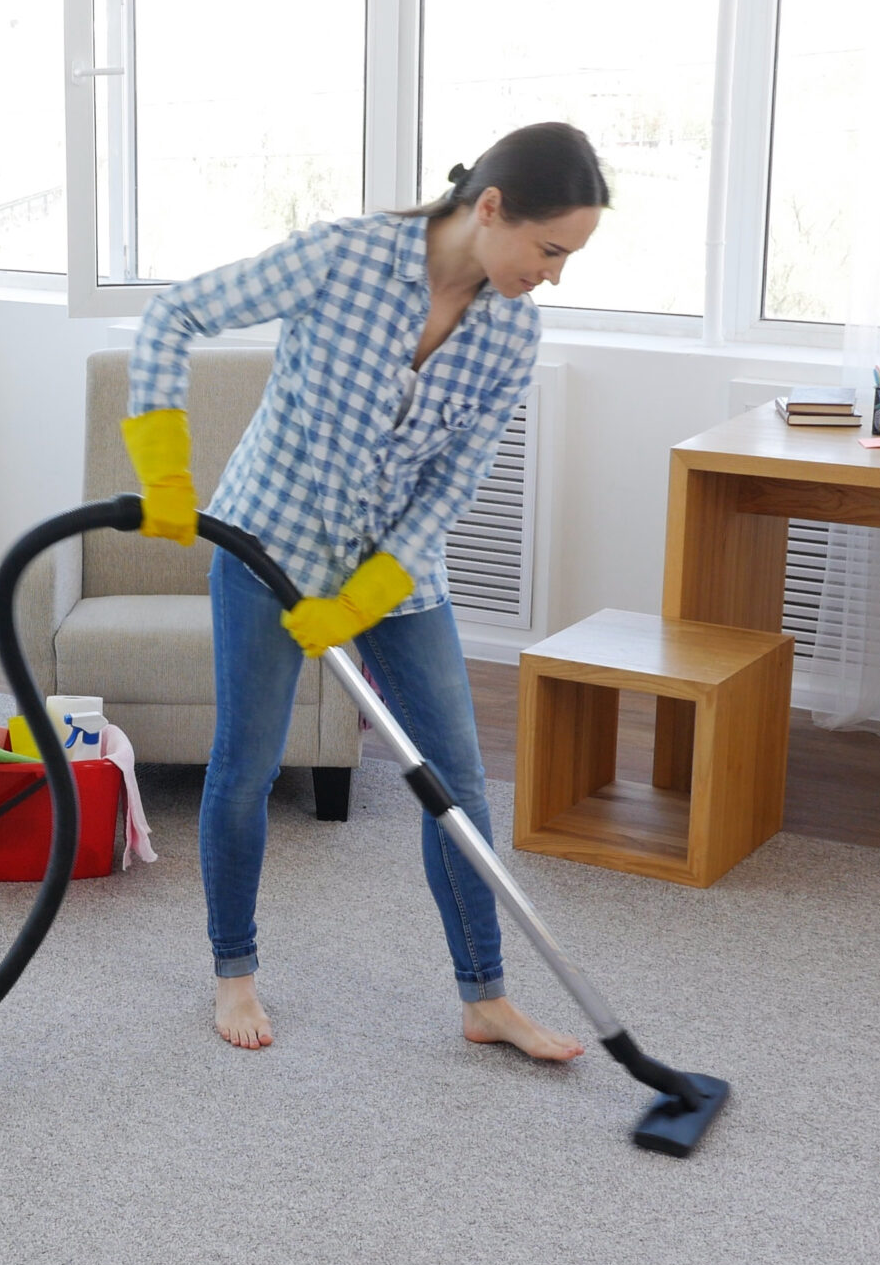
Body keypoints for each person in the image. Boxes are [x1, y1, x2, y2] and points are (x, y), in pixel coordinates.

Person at [123, 121, 611, 1056]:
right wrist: (164, 471)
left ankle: (485, 997)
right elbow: (173, 314)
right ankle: (234, 975)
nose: (553, 274)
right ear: (494, 208)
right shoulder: (342, 257)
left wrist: (367, 595)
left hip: (397, 572)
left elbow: (456, 479)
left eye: (569, 258)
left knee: (458, 782)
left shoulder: (514, 331)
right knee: (246, 771)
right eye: (550, 250)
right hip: (268, 539)